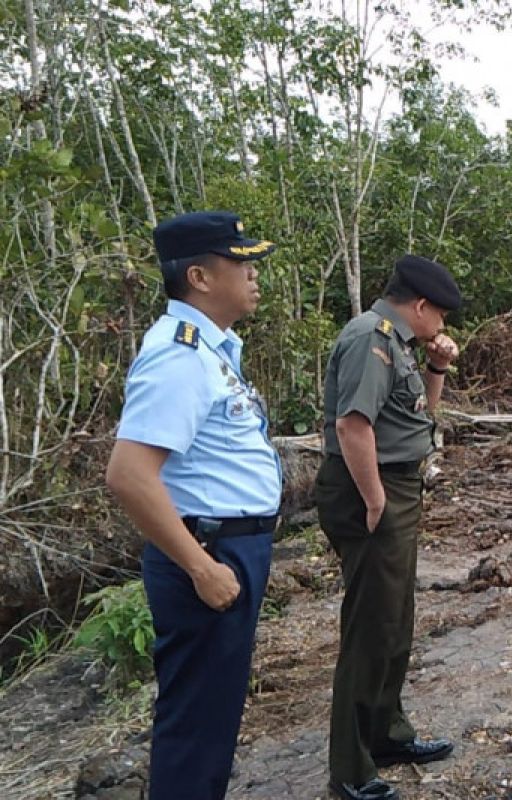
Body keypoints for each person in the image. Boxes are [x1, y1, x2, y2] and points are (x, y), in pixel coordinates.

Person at [105, 211, 282, 800]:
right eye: (242, 262)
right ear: (201, 278)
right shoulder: (178, 355)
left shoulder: (212, 349)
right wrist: (202, 568)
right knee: (196, 727)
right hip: (207, 553)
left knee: (213, 719)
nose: (254, 274)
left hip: (230, 546)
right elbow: (130, 476)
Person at [316, 254, 461, 800]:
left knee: (395, 619)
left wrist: (437, 367)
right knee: (370, 626)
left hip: (395, 487)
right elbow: (352, 426)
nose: (442, 327)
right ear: (419, 306)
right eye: (440, 316)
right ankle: (350, 769)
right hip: (371, 490)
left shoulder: (400, 343)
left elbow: (418, 412)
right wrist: (375, 501)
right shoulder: (368, 338)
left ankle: (387, 734)